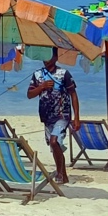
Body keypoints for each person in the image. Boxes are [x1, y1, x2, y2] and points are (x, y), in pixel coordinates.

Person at [26, 50, 80, 184]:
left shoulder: (63, 74)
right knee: (54, 145)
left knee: (54, 141)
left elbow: (73, 94)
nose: (46, 59)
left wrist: (77, 117)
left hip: (63, 114)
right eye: (44, 55)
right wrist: (42, 87)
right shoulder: (37, 74)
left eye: (49, 55)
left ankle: (60, 173)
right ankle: (63, 174)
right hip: (46, 115)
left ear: (56, 57)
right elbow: (30, 94)